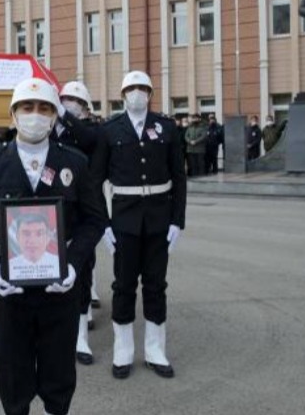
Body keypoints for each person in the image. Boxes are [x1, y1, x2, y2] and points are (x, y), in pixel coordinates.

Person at [0, 78, 106, 415]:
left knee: (59, 377)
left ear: (54, 116)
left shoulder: (75, 163)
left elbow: (95, 220)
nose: (35, 115)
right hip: (11, 294)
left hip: (59, 291)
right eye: (27, 107)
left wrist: (72, 264)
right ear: (13, 114)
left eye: (44, 108)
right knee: (12, 379)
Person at [91, 70, 186, 380]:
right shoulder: (109, 130)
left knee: (156, 286)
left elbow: (179, 178)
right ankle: (123, 350)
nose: (136, 93)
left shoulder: (167, 127)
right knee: (124, 286)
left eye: (142, 88)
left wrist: (177, 220)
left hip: (159, 219)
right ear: (122, 94)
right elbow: (95, 182)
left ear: (150, 93)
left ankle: (156, 350)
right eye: (131, 88)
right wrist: (103, 224)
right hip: (124, 220)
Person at [54, 80, 101, 365]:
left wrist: (65, 115)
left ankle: (81, 334)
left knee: (82, 272)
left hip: (81, 211)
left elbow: (87, 140)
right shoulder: (50, 128)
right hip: (51, 211)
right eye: (64, 99)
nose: (69, 102)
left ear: (83, 107)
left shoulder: (90, 130)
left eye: (74, 100)